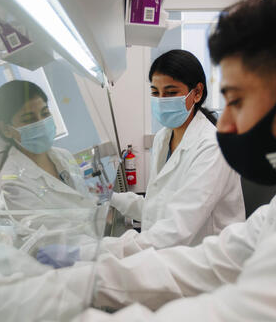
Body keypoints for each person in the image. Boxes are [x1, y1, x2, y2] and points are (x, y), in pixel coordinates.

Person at [0, 0, 276, 322]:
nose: (227, 123)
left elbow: (225, 297)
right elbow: (214, 259)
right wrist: (79, 280)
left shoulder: (211, 147)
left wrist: (49, 291)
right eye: (155, 92)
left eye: (236, 100)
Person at [101, 49, 244, 258]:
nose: (161, 100)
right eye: (155, 92)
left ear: (196, 93)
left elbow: (178, 227)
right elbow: (156, 207)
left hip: (209, 262)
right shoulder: (163, 137)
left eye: (170, 92)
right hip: (175, 253)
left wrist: (103, 250)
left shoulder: (212, 147)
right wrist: (110, 197)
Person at [0, 80, 96, 210]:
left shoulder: (63, 155)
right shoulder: (11, 185)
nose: (41, 123)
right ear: (6, 129)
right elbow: (52, 228)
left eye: (45, 113)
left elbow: (83, 199)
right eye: (29, 119)